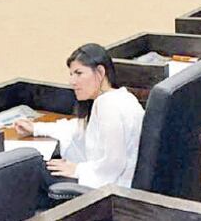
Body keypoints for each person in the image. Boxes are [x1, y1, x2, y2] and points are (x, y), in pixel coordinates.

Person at [16, 43, 144, 192]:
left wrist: (78, 169)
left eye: (79, 73)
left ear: (100, 72)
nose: (72, 81)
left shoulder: (108, 105)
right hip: (112, 181)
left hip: (112, 189)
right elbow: (77, 127)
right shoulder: (121, 97)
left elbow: (114, 163)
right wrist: (36, 128)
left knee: (31, 169)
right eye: (71, 74)